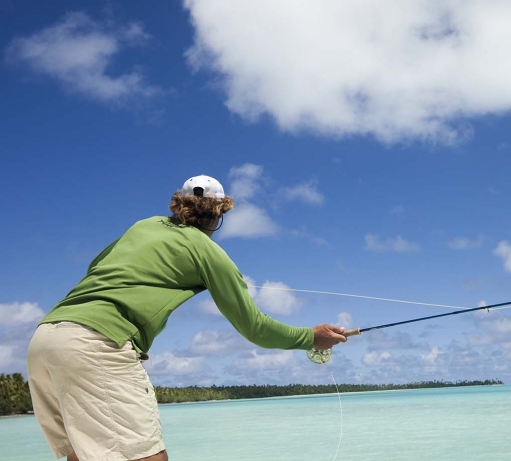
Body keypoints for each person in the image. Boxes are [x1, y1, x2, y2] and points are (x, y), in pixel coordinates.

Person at [27, 174, 347, 461]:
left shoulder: (143, 225)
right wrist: (311, 336)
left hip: (44, 339)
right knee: (147, 457)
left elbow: (95, 266)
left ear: (179, 203)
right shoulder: (206, 250)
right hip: (97, 345)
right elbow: (256, 328)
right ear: (218, 214)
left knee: (79, 455)